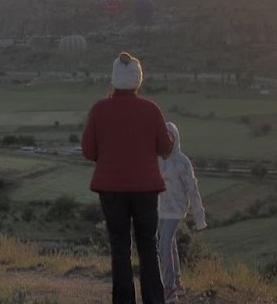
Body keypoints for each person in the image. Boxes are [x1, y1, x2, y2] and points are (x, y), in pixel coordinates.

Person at [83, 52, 175, 304]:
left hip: (111, 190)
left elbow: (89, 151)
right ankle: (154, 300)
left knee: (120, 248)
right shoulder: (150, 109)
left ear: (114, 79)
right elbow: (165, 149)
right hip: (146, 189)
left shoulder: (99, 109)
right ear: (138, 79)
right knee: (148, 246)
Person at [157, 122, 207, 300]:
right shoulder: (158, 158)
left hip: (177, 209)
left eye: (169, 137)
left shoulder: (182, 161)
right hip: (161, 208)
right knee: (169, 245)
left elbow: (193, 190)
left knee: (163, 245)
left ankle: (169, 288)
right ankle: (178, 284)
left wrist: (199, 217)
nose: (166, 140)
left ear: (175, 138)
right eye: (163, 137)